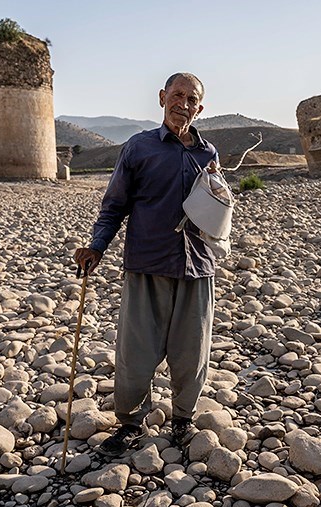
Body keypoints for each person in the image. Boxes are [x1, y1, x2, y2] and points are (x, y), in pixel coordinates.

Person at [74, 72, 220, 458]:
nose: (183, 104)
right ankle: (129, 425)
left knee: (192, 351)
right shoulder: (138, 148)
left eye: (192, 99)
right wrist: (97, 246)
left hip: (197, 266)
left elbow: (216, 208)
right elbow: (114, 205)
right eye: (177, 95)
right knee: (136, 352)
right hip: (147, 263)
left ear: (200, 108)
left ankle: (183, 421)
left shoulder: (209, 154)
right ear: (161, 98)